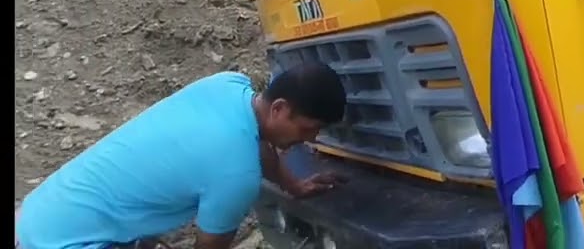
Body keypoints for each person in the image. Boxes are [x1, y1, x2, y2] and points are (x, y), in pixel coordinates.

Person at [15, 65, 349, 249]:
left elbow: (258, 141)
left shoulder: (227, 84)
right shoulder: (237, 175)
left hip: (37, 213)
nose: (311, 139)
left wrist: (293, 185)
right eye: (309, 128)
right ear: (279, 109)